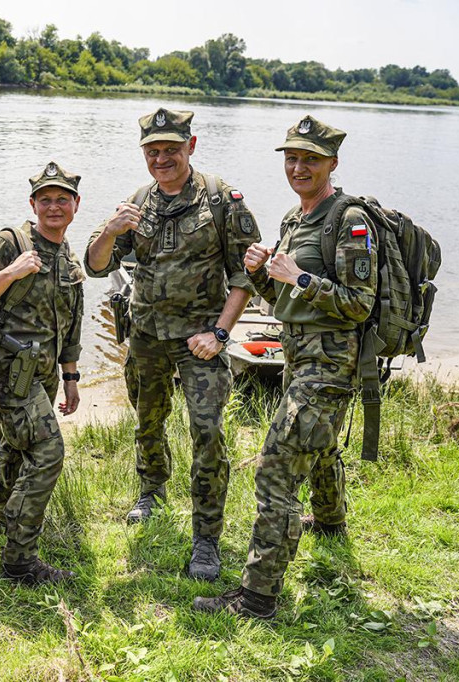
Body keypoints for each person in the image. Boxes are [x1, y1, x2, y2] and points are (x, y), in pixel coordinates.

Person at [194, 115, 377, 619]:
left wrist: (297, 278)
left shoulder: (349, 218)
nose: (298, 167)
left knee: (277, 465)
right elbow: (282, 304)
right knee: (316, 448)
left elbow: (359, 304)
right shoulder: (294, 221)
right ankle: (332, 523)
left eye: (310, 160)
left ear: (331, 164)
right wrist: (263, 274)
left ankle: (256, 597)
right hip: (298, 359)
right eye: (292, 158)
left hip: (331, 365)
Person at [85, 108, 261, 581]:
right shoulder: (137, 202)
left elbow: (246, 274)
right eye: (153, 151)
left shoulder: (223, 199)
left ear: (192, 146)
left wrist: (221, 333)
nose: (162, 158)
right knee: (148, 421)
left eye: (171, 149)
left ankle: (206, 537)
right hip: (145, 337)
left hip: (199, 340)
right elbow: (96, 266)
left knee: (207, 434)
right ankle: (151, 492)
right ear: (144, 153)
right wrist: (110, 229)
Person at [0, 161, 85, 585]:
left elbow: (71, 326)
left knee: (16, 456)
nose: (54, 207)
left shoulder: (68, 257)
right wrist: (11, 273)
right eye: (45, 199)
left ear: (75, 206)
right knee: (48, 453)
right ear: (32, 204)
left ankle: (7, 535)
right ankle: (20, 562)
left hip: (46, 377)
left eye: (61, 200)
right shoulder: (11, 243)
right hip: (10, 376)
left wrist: (71, 378)